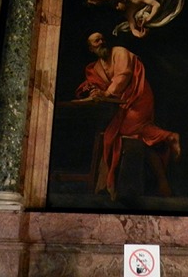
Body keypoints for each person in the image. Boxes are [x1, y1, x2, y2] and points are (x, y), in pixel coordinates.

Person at [76, 32, 181, 200]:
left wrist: (106, 92)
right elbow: (96, 85)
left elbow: (122, 77)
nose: (102, 41)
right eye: (97, 40)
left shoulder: (119, 52)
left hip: (139, 97)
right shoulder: (95, 68)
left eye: (102, 38)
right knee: (136, 137)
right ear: (91, 48)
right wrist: (94, 90)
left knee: (124, 130)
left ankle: (170, 136)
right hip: (123, 103)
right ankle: (163, 180)